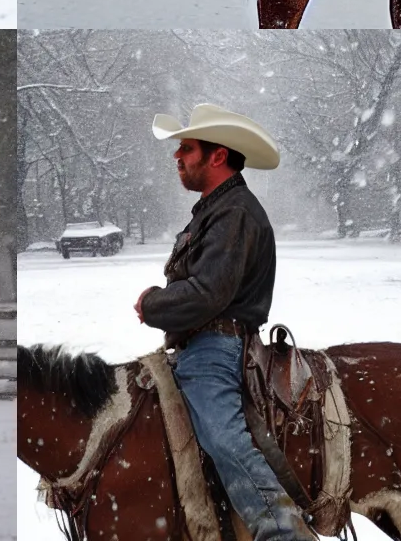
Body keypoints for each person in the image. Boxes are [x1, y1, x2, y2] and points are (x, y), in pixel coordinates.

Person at [135, 103, 317, 541]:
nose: (177, 157)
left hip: (215, 348)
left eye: (187, 148)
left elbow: (208, 293)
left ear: (217, 156)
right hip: (202, 342)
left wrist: (153, 304)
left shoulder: (233, 211)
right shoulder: (215, 209)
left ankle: (281, 534)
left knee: (223, 439)